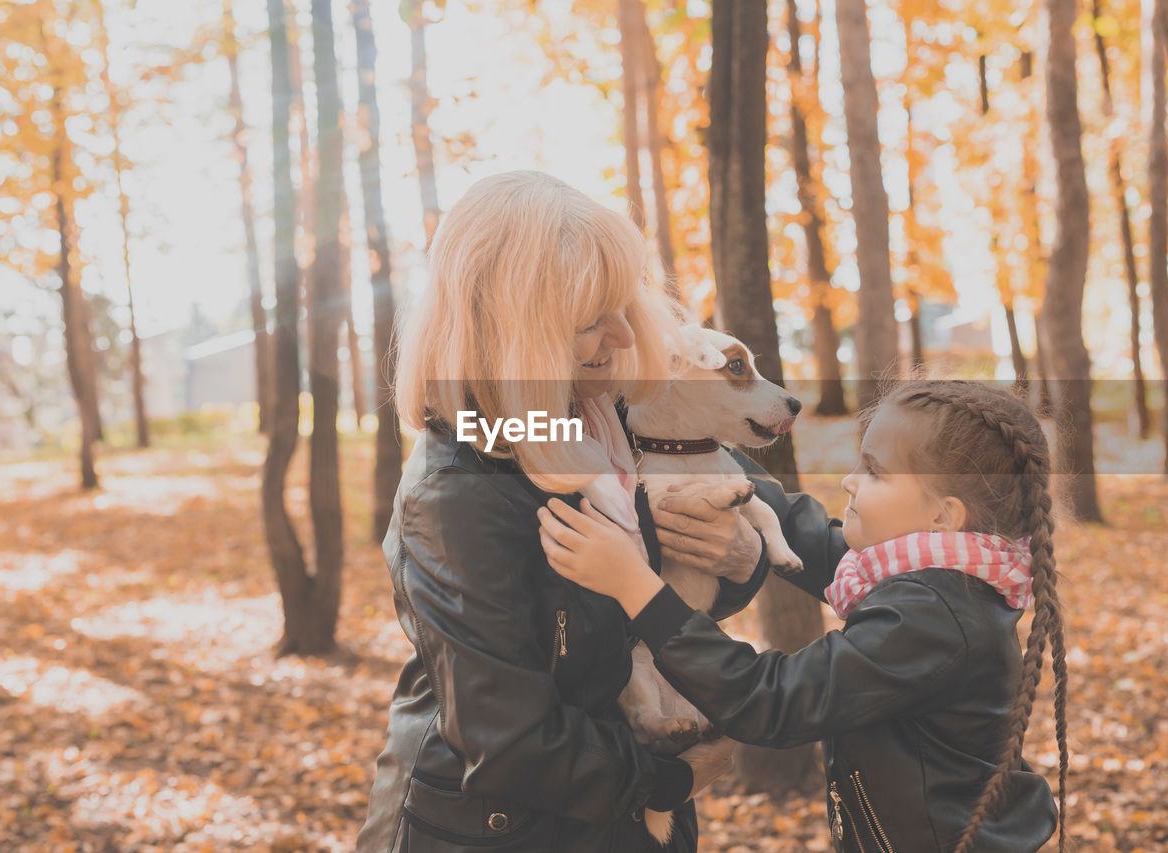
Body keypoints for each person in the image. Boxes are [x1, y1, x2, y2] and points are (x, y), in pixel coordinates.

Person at [357, 170, 821, 852]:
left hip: (622, 812)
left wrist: (747, 560)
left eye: (623, 305)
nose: (625, 336)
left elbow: (733, 540)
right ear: (521, 332)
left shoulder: (607, 418)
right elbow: (511, 739)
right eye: (592, 320)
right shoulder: (456, 494)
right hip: (501, 827)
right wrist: (671, 779)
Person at [540, 380, 1069, 853]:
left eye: (875, 472)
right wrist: (695, 449)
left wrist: (638, 589)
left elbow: (772, 701)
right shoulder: (944, 583)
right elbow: (819, 543)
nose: (850, 482)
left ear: (942, 516)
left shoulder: (931, 619)